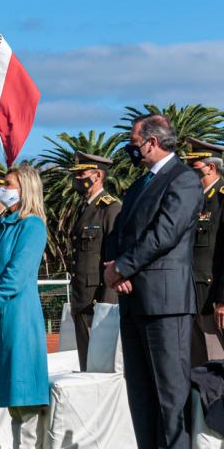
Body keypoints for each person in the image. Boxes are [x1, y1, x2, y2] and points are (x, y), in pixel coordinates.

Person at [104, 115, 203, 449]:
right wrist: (116, 270)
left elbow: (165, 233)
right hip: (133, 301)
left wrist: (124, 267)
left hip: (165, 303)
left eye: (134, 140)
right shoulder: (139, 185)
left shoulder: (183, 179)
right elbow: (121, 233)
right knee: (142, 397)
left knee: (170, 398)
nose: (131, 147)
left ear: (152, 141)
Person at [0, 164, 50, 447]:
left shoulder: (32, 226)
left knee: (24, 398)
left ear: (25, 189)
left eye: (8, 184)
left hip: (18, 319)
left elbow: (17, 274)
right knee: (10, 400)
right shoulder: (0, 224)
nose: (2, 189)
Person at [67, 152, 121, 371]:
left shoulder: (110, 208)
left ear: (98, 175)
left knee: (100, 366)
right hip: (82, 298)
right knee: (85, 364)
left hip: (98, 300)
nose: (77, 178)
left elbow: (113, 259)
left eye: (82, 174)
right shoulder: (83, 208)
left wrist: (107, 303)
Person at [183, 138, 224, 365]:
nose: (190, 169)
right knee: (199, 369)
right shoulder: (193, 201)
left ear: (210, 167)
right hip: (192, 298)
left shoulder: (221, 198)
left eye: (194, 164)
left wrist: (222, 300)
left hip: (213, 300)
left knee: (217, 368)